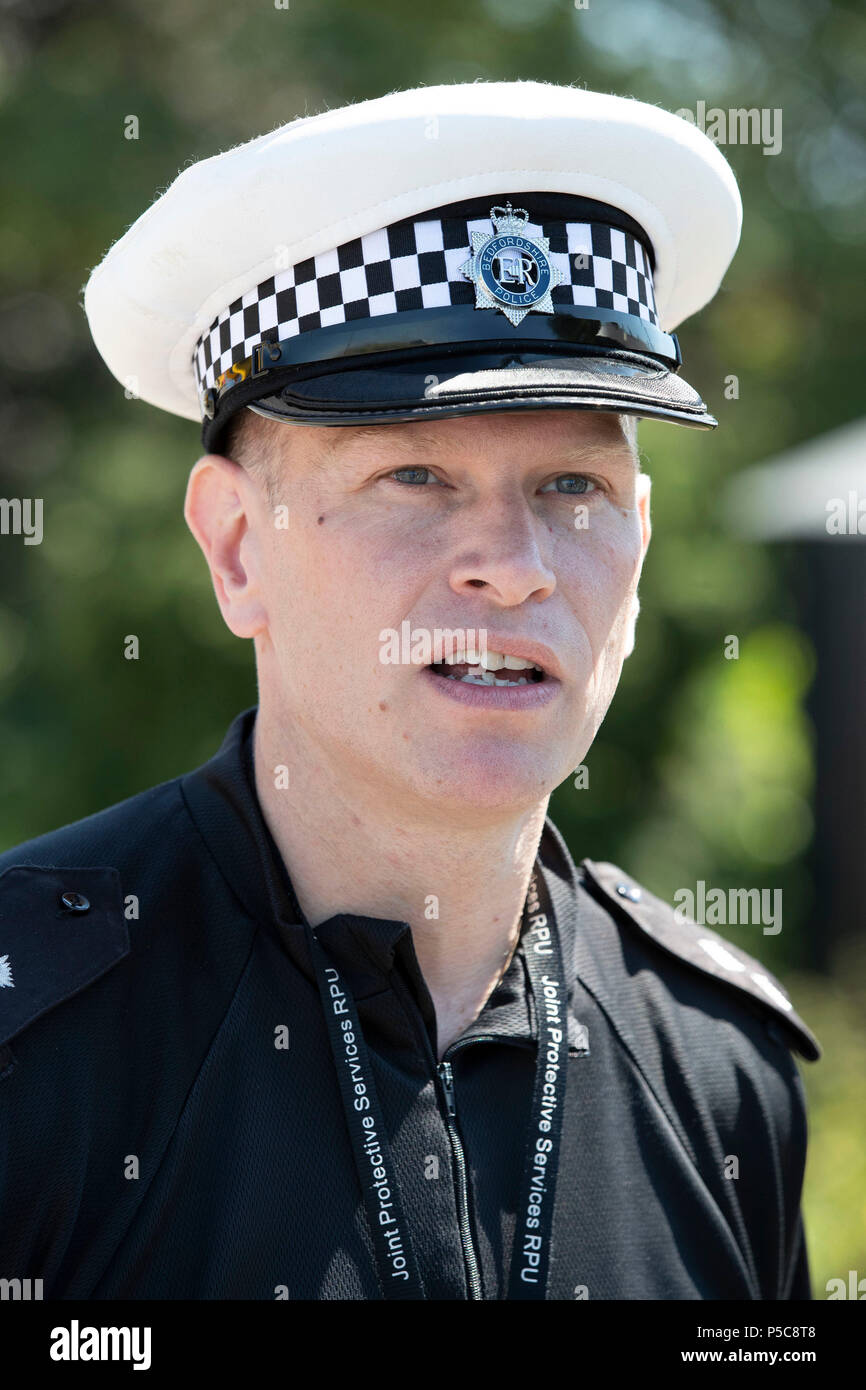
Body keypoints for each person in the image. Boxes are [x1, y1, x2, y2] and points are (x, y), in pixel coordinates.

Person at [0, 79, 820, 1300]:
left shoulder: (715, 1066)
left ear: (638, 546)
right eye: (416, 475)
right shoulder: (34, 1045)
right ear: (237, 547)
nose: (513, 566)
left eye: (570, 488)